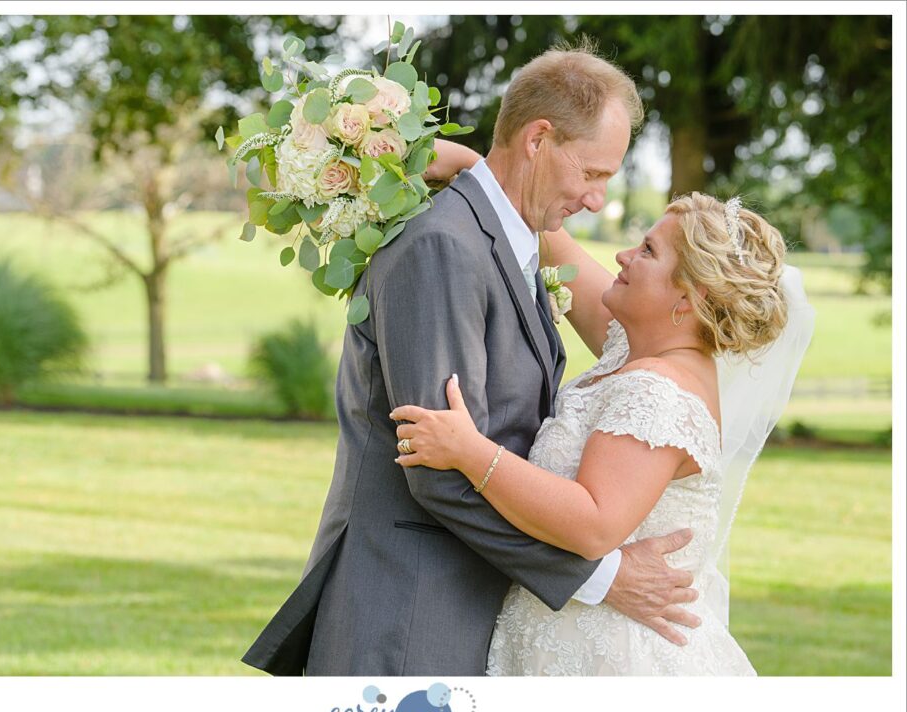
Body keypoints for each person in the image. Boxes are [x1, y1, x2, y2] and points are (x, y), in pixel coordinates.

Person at [242, 44, 703, 677]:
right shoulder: (445, 247)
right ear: (539, 139)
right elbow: (438, 471)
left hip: (460, 609)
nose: (598, 200)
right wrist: (598, 577)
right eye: (593, 174)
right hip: (408, 617)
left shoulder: (510, 238)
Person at [390, 178, 815, 674]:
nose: (623, 256)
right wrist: (475, 167)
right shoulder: (636, 344)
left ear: (688, 298)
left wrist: (470, 452)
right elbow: (555, 243)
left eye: (648, 251)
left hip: (613, 657)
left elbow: (593, 525)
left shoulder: (658, 392)